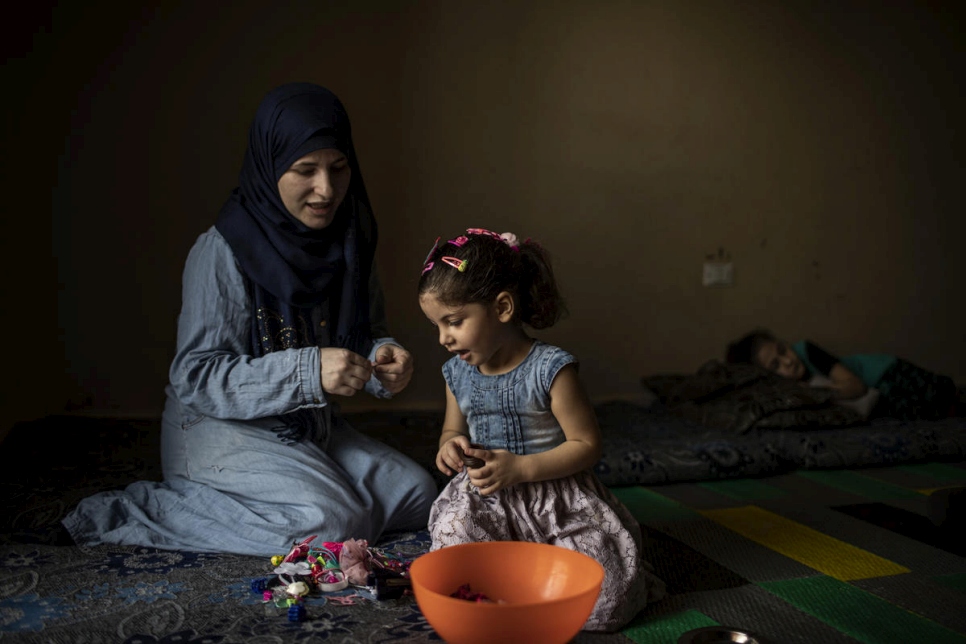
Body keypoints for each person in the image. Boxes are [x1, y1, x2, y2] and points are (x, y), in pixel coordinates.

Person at [61, 83, 437, 555]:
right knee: (337, 525)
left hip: (306, 425)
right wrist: (307, 370)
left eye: (339, 168)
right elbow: (195, 377)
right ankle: (138, 512)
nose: (326, 189)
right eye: (305, 170)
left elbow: (363, 333)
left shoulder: (349, 242)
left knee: (421, 495)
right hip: (216, 428)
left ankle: (308, 497)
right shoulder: (222, 252)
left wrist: (382, 357)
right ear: (270, 165)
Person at [416, 228, 666, 632]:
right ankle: (524, 579)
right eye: (437, 326)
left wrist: (522, 469)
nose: (444, 339)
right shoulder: (455, 373)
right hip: (486, 498)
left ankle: (544, 576)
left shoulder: (552, 369)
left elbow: (587, 445)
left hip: (558, 500)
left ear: (501, 307)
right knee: (454, 558)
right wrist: (450, 447)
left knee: (606, 606)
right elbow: (450, 432)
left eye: (454, 322)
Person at [725, 329, 959, 421]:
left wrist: (816, 392)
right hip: (879, 397)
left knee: (941, 393)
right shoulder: (785, 389)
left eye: (783, 350)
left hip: (885, 373)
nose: (789, 360)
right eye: (776, 365)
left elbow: (856, 388)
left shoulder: (806, 350)